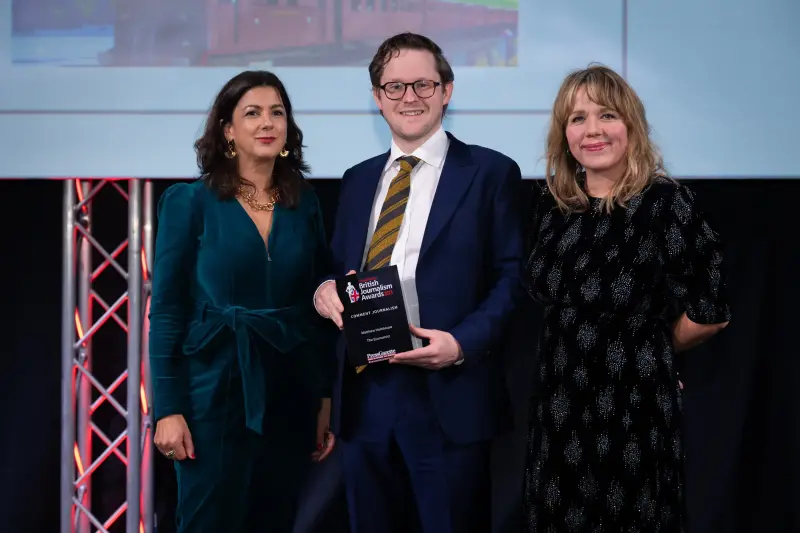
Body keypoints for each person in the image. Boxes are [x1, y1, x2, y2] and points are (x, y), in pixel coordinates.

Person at [313, 32, 524, 533]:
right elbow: (336, 267)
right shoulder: (357, 179)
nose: (409, 97)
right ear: (376, 98)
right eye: (394, 87)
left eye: (423, 84)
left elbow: (514, 276)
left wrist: (462, 343)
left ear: (447, 91)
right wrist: (323, 290)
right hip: (367, 398)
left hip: (450, 391)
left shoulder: (491, 172)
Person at [522, 64, 731, 532]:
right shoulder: (552, 205)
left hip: (634, 407)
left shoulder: (668, 204)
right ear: (564, 134)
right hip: (558, 406)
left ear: (632, 126)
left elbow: (710, 313)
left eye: (607, 115)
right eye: (577, 119)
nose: (592, 130)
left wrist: (650, 352)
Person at [148, 70, 337, 533]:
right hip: (211, 390)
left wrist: (325, 397)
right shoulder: (188, 201)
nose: (266, 122)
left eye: (277, 112)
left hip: (290, 391)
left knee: (275, 518)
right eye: (251, 113)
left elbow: (317, 306)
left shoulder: (304, 203)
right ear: (228, 130)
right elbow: (167, 312)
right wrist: (167, 409)